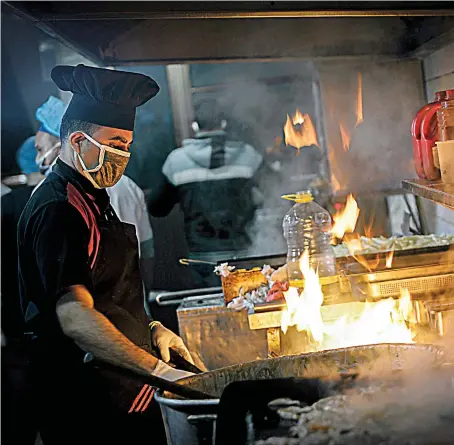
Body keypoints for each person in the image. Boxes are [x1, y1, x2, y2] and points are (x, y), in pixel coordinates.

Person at [17, 64, 194, 445]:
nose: (122, 156)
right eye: (114, 145)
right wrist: (160, 372)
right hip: (86, 404)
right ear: (78, 142)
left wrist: (149, 328)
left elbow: (108, 291)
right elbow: (76, 317)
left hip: (124, 391)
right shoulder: (58, 208)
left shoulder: (95, 195)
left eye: (126, 147)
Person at [32, 96, 156, 291]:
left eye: (40, 149)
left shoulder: (48, 194)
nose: (38, 159)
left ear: (65, 143)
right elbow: (147, 252)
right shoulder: (128, 186)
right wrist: (144, 291)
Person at [148, 98, 263, 287]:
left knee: (210, 308)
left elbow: (157, 207)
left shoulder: (177, 161)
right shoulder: (248, 155)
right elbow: (272, 189)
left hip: (201, 256)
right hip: (243, 252)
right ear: (223, 123)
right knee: (247, 301)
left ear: (195, 125)